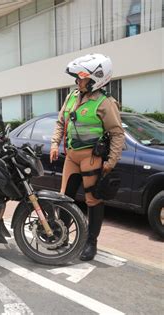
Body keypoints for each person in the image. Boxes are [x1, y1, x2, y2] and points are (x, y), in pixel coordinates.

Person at [50, 53, 125, 261]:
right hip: (71, 157)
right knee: (64, 198)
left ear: (96, 79)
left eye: (82, 78)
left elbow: (118, 133)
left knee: (93, 200)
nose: (77, 81)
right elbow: (60, 122)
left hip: (91, 157)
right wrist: (54, 143)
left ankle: (91, 243)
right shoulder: (72, 96)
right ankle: (61, 236)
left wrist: (110, 162)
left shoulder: (105, 103)